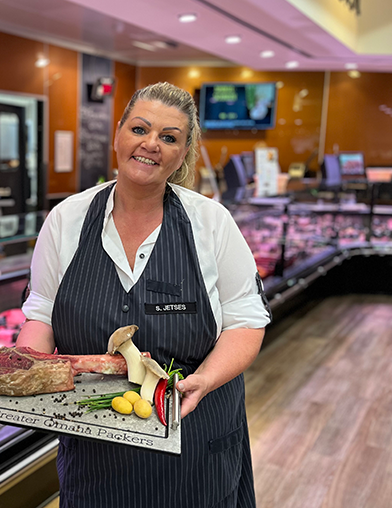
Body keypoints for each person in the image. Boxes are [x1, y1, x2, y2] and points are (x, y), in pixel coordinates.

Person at [17, 82, 271, 508]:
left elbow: (245, 319)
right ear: (119, 133)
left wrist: (204, 380)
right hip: (95, 453)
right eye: (140, 129)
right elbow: (41, 314)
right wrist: (27, 373)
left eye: (169, 138)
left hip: (195, 446)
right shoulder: (67, 219)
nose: (151, 144)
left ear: (183, 151)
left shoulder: (211, 223)